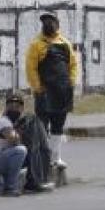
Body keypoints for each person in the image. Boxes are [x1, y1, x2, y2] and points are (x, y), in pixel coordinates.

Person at [25, 10, 78, 169]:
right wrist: (37, 87)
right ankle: (42, 158)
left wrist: (71, 82)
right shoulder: (36, 44)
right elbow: (31, 68)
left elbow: (73, 65)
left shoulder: (65, 43)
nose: (48, 24)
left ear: (57, 24)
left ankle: (56, 158)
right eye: (45, 21)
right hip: (44, 91)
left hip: (63, 91)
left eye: (51, 21)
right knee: (42, 126)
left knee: (58, 126)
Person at [0, 94, 28, 197]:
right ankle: (10, 188)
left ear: (22, 109)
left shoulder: (12, 122)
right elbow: (14, 140)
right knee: (21, 150)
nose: (14, 109)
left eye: (17, 106)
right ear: (6, 107)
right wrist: (20, 131)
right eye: (11, 106)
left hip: (2, 158)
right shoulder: (3, 121)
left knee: (26, 152)